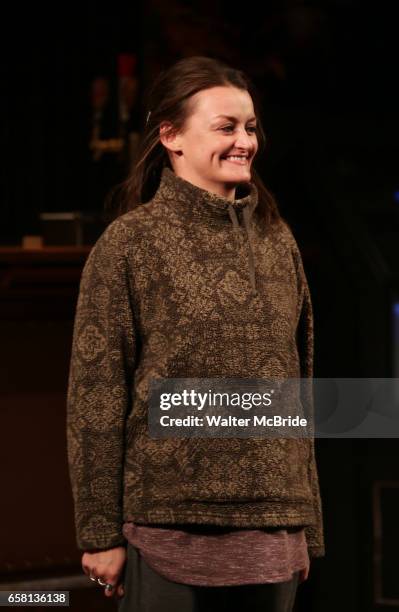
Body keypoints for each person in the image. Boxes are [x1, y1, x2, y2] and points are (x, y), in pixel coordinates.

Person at [66, 55, 325, 612]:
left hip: (272, 536)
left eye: (250, 127)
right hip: (168, 534)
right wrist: (99, 533)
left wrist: (308, 525)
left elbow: (296, 388)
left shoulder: (278, 241)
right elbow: (96, 395)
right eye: (226, 127)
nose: (245, 141)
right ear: (171, 136)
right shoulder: (130, 244)